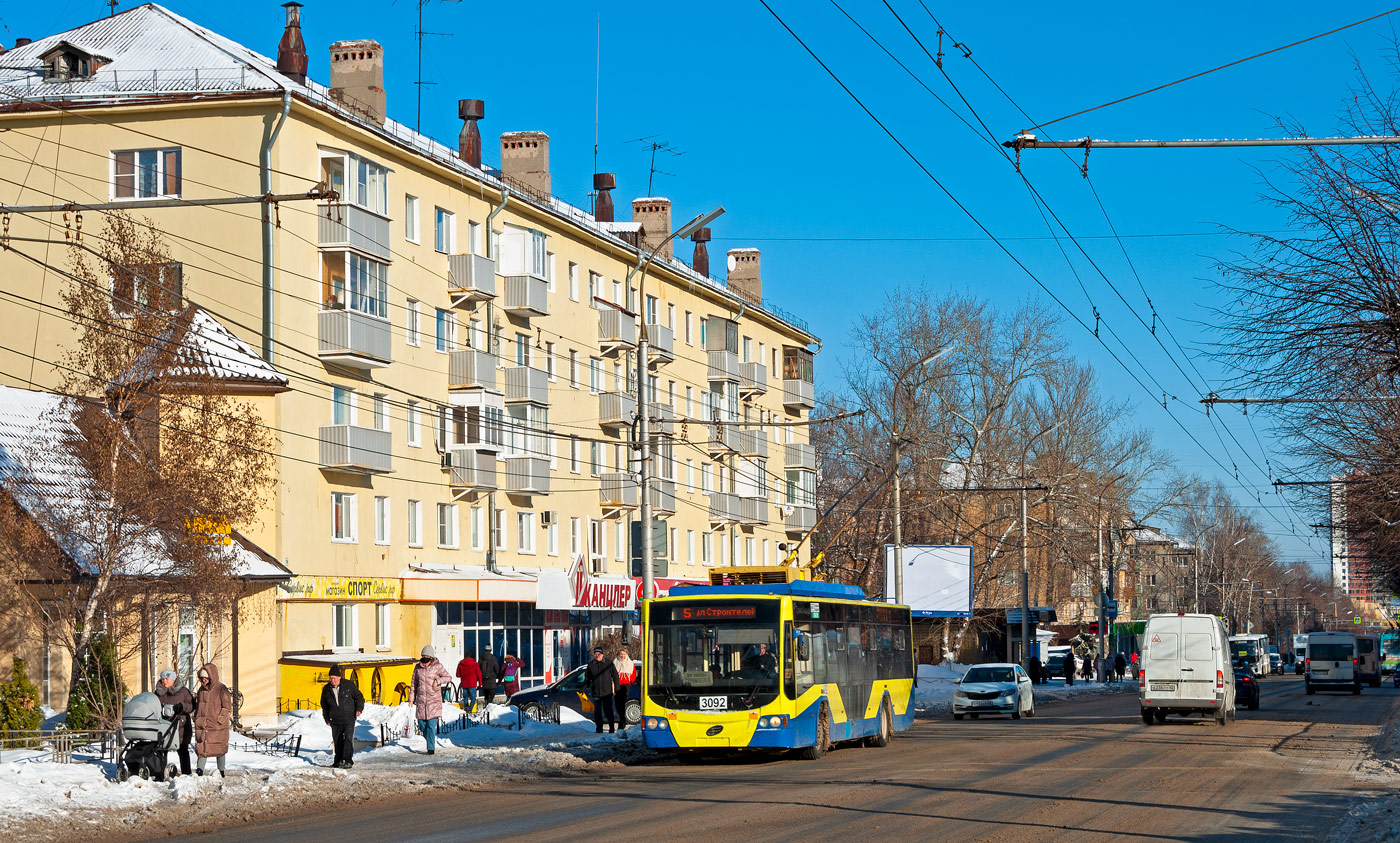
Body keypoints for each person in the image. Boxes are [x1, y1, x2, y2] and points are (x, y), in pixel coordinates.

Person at [410, 645, 454, 756]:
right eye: (422, 658)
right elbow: (413, 684)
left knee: (430, 725)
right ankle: (430, 740)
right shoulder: (417, 668)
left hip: (433, 701)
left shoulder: (438, 667)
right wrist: (411, 699)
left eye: (426, 659)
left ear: (431, 659)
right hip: (421, 701)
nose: (424, 662)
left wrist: (438, 681)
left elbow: (448, 677)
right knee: (421, 725)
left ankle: (431, 748)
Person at [320, 664, 364, 769]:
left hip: (349, 717)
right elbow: (324, 706)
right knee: (337, 740)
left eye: (334, 678)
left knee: (348, 738)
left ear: (339, 677)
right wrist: (327, 719)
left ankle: (348, 760)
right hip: (335, 719)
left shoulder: (349, 685)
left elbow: (359, 697)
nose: (332, 680)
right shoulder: (326, 689)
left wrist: (359, 709)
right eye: (331, 678)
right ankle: (338, 761)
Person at [193, 662, 232, 777]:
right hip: (203, 725)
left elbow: (227, 707)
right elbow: (198, 706)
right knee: (202, 748)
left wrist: (220, 720)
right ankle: (199, 770)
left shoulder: (221, 688)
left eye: (206, 678)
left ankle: (221, 771)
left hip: (217, 726)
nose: (203, 680)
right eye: (202, 678)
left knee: (219, 747)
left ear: (211, 676)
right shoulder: (201, 691)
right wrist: (197, 718)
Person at [154, 669, 195, 776]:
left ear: (173, 680)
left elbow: (192, 706)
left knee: (183, 751)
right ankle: (160, 774)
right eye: (162, 679)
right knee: (161, 751)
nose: (164, 681)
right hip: (163, 727)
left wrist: (182, 707)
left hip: (180, 727)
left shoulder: (183, 691)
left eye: (167, 679)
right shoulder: (158, 693)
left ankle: (186, 774)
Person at [584, 647, 620, 734]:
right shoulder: (591, 664)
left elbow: (615, 675)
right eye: (595, 654)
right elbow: (587, 678)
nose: (597, 656)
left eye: (599, 654)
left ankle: (611, 728)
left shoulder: (608, 663)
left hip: (607, 692)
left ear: (602, 655)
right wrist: (584, 687)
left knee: (608, 710)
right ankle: (599, 729)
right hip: (596, 692)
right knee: (597, 712)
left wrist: (617, 687)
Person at [614, 647, 638, 725]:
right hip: (617, 685)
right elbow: (611, 673)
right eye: (621, 654)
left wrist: (630, 681)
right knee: (617, 703)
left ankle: (622, 720)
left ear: (626, 655)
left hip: (626, 686)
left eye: (624, 654)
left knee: (623, 702)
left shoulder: (630, 663)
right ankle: (621, 717)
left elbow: (633, 674)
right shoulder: (615, 662)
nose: (622, 656)